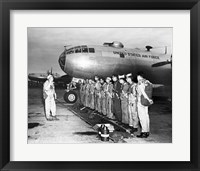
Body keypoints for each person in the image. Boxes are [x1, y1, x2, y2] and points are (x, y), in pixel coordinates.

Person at [136, 72, 153, 138]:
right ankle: (147, 131)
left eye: (138, 77)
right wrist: (149, 100)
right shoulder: (148, 82)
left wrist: (148, 99)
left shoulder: (140, 83)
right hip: (146, 103)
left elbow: (143, 92)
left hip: (141, 101)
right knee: (146, 116)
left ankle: (143, 132)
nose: (137, 79)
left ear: (140, 77)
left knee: (142, 118)